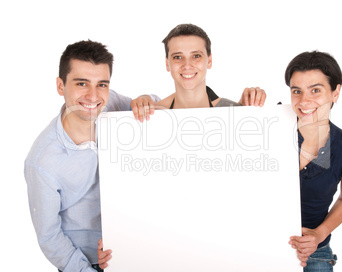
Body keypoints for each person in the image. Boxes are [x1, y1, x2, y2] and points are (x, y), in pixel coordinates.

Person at [97, 23, 267, 269]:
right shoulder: (146, 120)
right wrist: (118, 243)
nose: (187, 66)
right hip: (167, 252)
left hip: (226, 251)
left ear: (209, 61)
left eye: (196, 56)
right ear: (167, 63)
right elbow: (133, 195)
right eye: (178, 57)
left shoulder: (238, 114)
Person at [24, 40, 158, 272]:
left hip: (138, 245)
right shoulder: (42, 162)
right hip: (87, 262)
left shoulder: (109, 103)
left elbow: (157, 111)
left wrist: (146, 98)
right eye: (82, 83)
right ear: (60, 85)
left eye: (102, 84)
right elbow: (49, 237)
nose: (93, 96)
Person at [286, 51, 342, 271]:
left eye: (315, 90)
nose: (304, 101)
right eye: (297, 91)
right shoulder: (271, 126)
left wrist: (319, 234)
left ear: (335, 92)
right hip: (255, 244)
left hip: (315, 250)